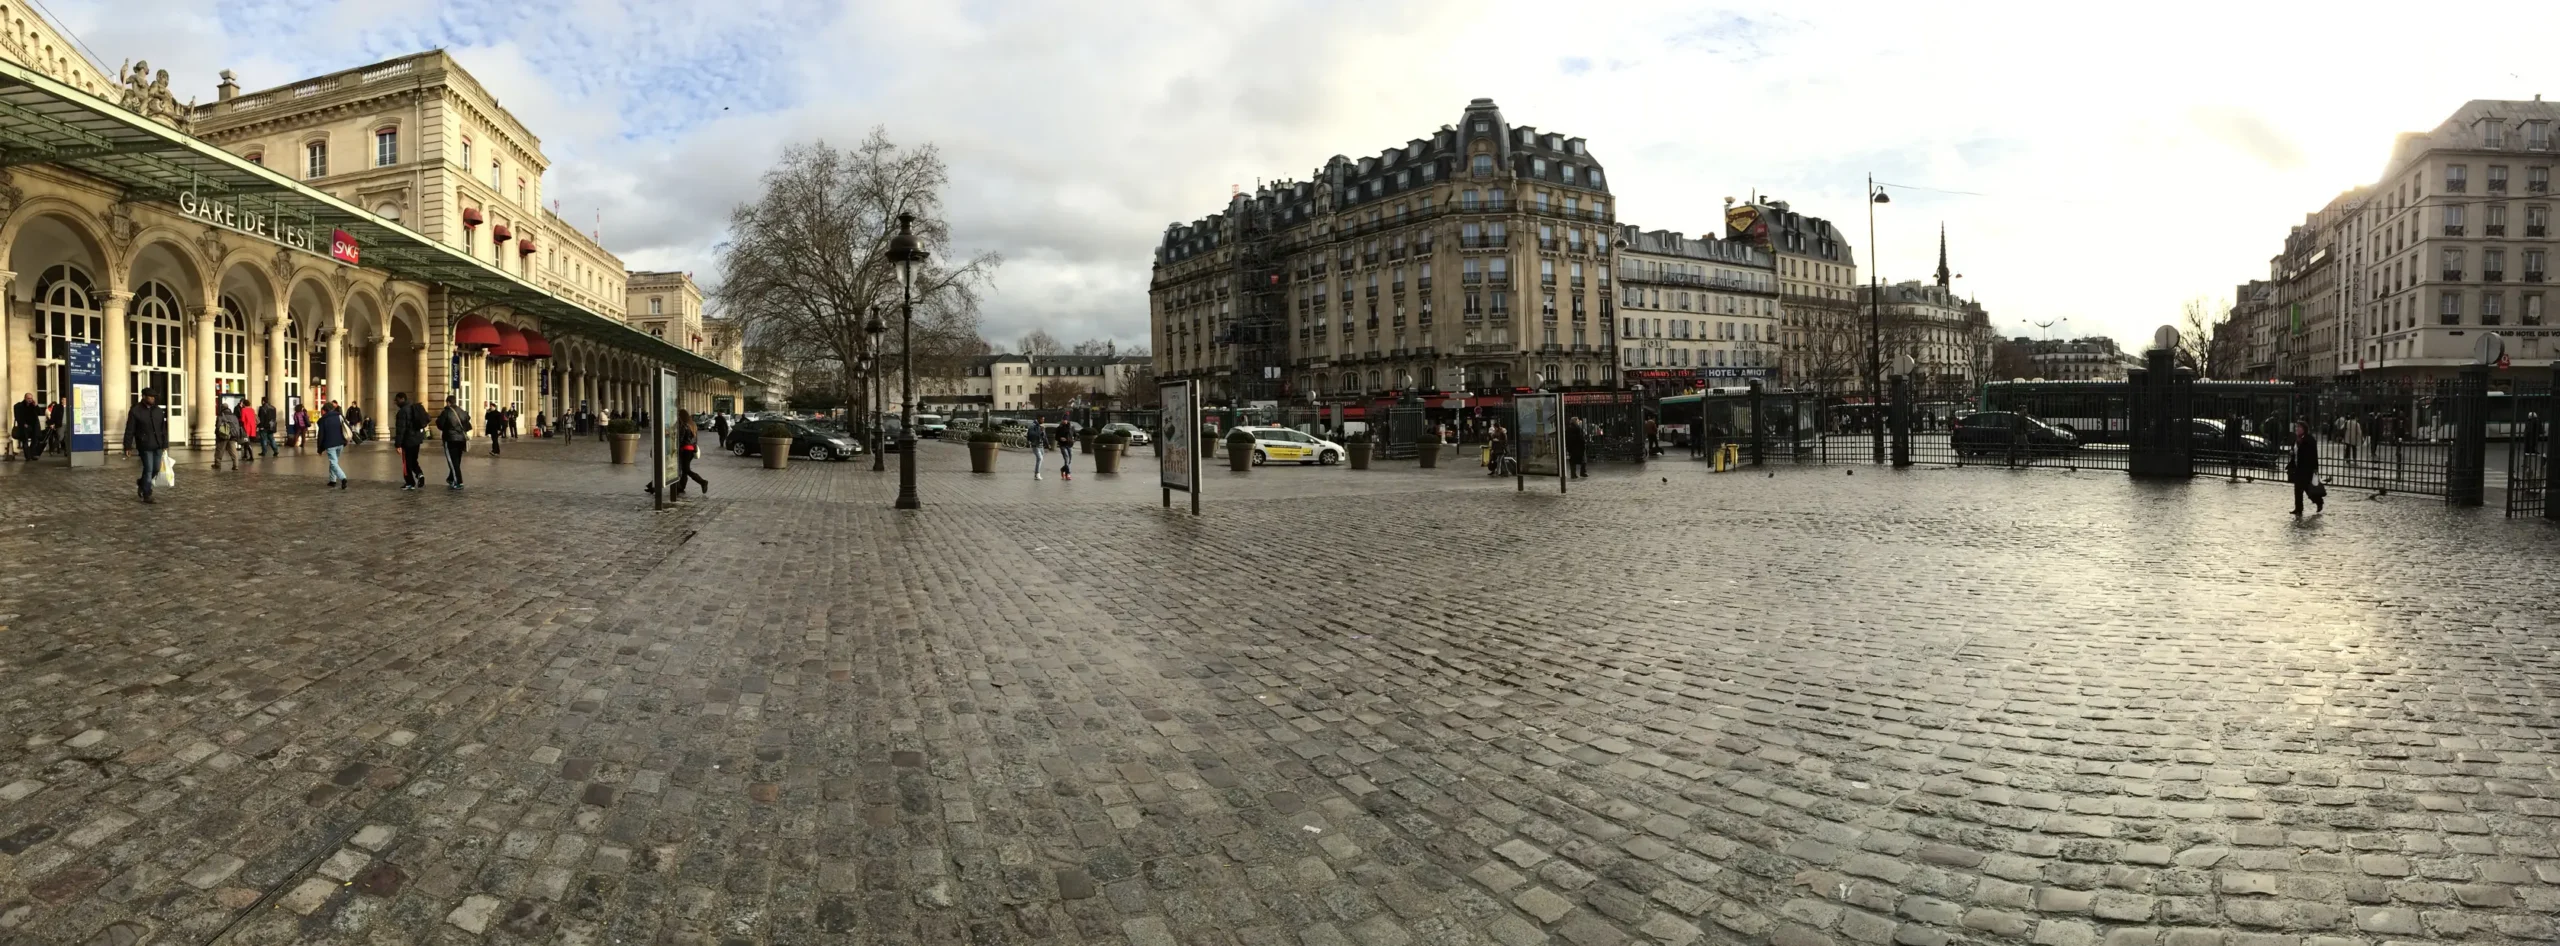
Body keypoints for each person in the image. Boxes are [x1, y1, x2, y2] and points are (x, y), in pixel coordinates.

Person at [122, 388, 169, 504]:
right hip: (144, 444)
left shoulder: (158, 410)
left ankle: (142, 483)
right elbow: (130, 429)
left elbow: (163, 429)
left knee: (156, 469)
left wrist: (165, 443)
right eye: (150, 397)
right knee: (148, 469)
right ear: (144, 397)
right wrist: (127, 446)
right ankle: (147, 493)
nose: (152, 399)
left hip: (158, 444)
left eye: (154, 397)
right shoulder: (135, 411)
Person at [436, 396, 473, 489]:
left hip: (450, 439)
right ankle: (451, 478)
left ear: (448, 402)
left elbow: (440, 425)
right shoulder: (462, 411)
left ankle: (458, 481)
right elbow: (468, 423)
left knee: (452, 461)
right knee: (457, 460)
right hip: (461, 439)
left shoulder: (447, 412)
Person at [2288, 419, 2323, 516]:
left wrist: (2314, 469)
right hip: (2298, 468)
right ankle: (2298, 508)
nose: (2297, 429)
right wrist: (2292, 454)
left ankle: (2319, 501)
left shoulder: (2309, 440)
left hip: (2306, 468)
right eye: (2296, 427)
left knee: (2308, 489)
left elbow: (2312, 455)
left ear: (2304, 429)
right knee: (2297, 489)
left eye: (2299, 427)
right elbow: (2295, 451)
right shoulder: (2296, 439)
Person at [394, 393, 429, 490]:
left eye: (397, 400)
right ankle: (420, 474)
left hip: (407, 441)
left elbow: (401, 430)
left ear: (402, 399)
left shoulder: (402, 412)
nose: (396, 402)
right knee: (413, 460)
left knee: (406, 463)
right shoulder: (414, 408)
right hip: (417, 440)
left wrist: (398, 444)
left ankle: (410, 482)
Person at [317, 401, 350, 490]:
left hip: (330, 444)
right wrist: (346, 440)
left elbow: (321, 435)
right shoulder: (339, 416)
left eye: (322, 410)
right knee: (334, 462)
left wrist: (319, 449)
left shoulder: (323, 420)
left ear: (325, 410)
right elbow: (347, 427)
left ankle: (343, 478)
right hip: (340, 443)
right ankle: (332, 480)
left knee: (333, 462)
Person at [12, 393, 41, 461]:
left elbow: (39, 413)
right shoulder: (19, 406)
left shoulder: (33, 405)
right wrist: (23, 424)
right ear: (25, 398)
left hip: (34, 426)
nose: (30, 400)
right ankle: (27, 456)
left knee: (35, 440)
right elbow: (18, 417)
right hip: (24, 426)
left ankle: (31, 454)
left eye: (31, 398)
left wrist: (36, 405)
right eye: (28, 398)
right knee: (25, 441)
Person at [235, 399, 259, 465]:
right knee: (246, 442)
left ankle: (251, 456)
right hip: (252, 428)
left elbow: (242, 419)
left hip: (246, 428)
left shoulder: (243, 410)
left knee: (247, 442)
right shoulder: (252, 410)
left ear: (244, 404)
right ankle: (245, 455)